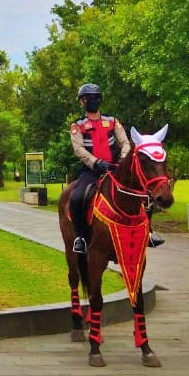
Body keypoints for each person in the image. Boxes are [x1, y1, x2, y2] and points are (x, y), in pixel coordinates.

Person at [68, 83, 133, 256]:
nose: (93, 101)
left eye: (96, 97)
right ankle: (80, 238)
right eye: (89, 98)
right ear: (82, 102)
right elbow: (78, 149)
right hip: (92, 171)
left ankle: (147, 231)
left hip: (115, 169)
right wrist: (96, 162)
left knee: (140, 192)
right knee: (76, 198)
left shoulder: (112, 121)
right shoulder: (77, 125)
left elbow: (125, 142)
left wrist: (123, 158)